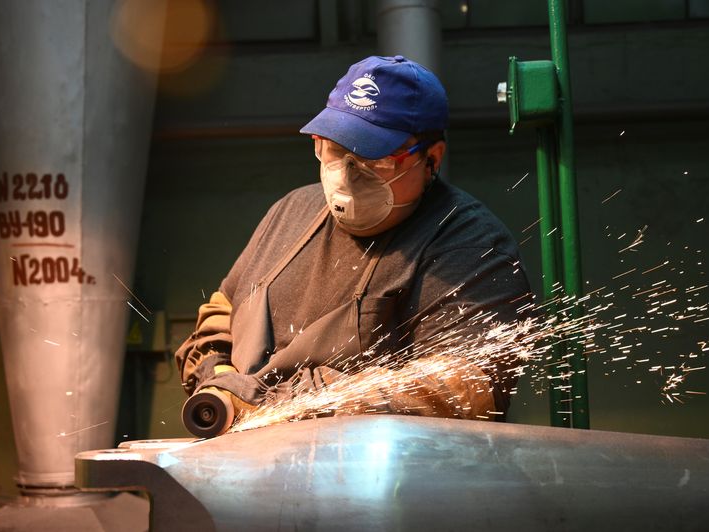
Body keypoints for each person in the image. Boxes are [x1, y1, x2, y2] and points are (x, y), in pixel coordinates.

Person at [175, 55, 532, 424]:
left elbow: (462, 389)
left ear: (431, 158)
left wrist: (276, 403)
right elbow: (220, 316)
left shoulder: (471, 244)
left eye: (375, 160)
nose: (346, 176)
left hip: (379, 478)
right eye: (334, 151)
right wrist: (218, 382)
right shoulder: (291, 210)